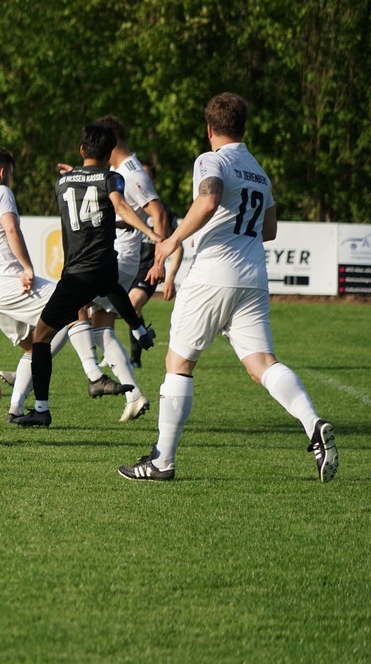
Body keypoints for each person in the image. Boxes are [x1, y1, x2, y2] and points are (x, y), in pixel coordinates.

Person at [118, 93, 338, 482]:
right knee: (262, 364)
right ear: (243, 127)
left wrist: (171, 242)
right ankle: (313, 424)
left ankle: (161, 462)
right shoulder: (258, 170)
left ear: (209, 130)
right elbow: (269, 229)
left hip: (212, 274)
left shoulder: (211, 160)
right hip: (252, 276)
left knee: (179, 365)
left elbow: (208, 201)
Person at [0, 146, 133, 423]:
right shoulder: (0, 192)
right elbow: (11, 229)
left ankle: (16, 409)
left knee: (34, 345)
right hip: (9, 282)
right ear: (3, 172)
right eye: (10, 174)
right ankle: (94, 375)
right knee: (77, 302)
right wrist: (27, 268)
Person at [14, 122, 157, 427]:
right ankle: (139, 331)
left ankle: (42, 408)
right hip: (105, 268)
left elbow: (88, 210)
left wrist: (77, 177)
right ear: (110, 153)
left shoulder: (62, 182)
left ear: (81, 149)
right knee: (113, 290)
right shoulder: (113, 177)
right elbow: (117, 206)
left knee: (41, 337)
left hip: (77, 273)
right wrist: (149, 232)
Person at [87, 116, 169, 422]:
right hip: (117, 254)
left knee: (70, 307)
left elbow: (158, 213)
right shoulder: (120, 170)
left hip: (120, 257)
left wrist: (159, 261)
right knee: (100, 328)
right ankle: (134, 396)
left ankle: (28, 372)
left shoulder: (131, 172)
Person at [128, 160, 183, 368]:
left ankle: (134, 359)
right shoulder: (128, 207)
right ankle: (129, 341)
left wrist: (169, 278)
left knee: (133, 305)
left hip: (148, 269)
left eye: (147, 176)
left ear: (153, 181)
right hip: (126, 266)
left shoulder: (162, 212)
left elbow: (178, 247)